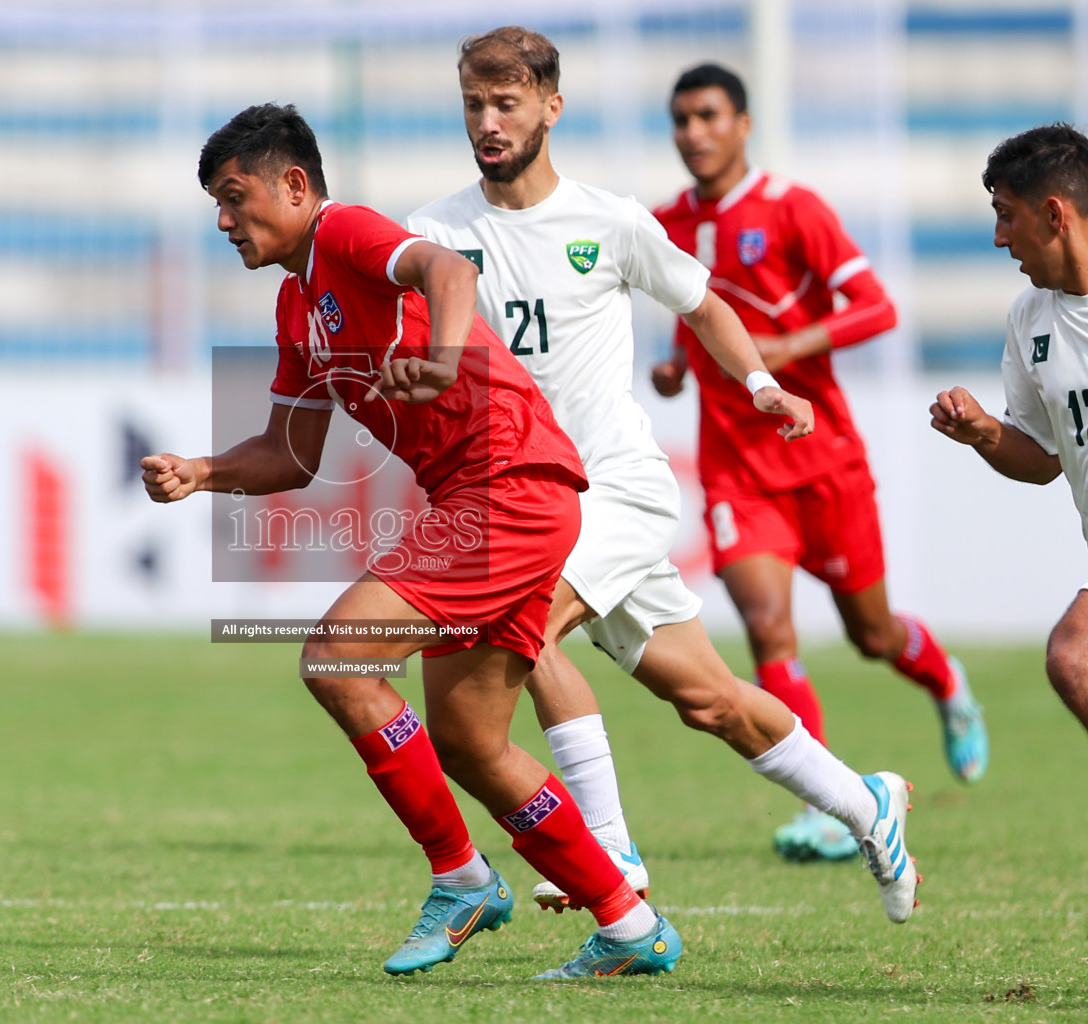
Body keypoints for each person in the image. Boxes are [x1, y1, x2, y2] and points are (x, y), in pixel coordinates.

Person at [143, 102, 681, 980]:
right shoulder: (294, 306)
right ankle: (630, 927)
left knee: (337, 657)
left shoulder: (348, 231)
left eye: (235, 197)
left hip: (507, 483)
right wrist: (202, 471)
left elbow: (448, 272)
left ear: (295, 185)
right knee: (471, 744)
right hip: (487, 497)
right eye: (215, 204)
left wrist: (440, 356)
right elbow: (290, 454)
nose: (223, 221)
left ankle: (462, 879)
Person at [405, 26, 918, 924]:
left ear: (551, 109)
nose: (488, 122)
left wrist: (760, 383)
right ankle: (867, 803)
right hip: (529, 497)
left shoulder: (609, 221)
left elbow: (705, 301)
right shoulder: (436, 231)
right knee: (711, 700)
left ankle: (607, 852)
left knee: (521, 625)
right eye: (473, 105)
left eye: (507, 103)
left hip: (616, 491)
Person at [652, 63, 989, 860]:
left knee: (871, 634)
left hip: (821, 457)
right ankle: (833, 801)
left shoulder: (793, 208)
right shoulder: (666, 222)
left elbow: (878, 304)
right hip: (736, 466)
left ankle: (948, 686)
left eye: (707, 116)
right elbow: (689, 307)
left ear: (742, 124)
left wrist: (786, 347)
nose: (693, 133)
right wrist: (674, 363)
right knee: (769, 627)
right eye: (681, 119)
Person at [932, 124, 1088, 930]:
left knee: (1077, 653)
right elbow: (1042, 458)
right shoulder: (1030, 321)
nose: (998, 236)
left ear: (1054, 213)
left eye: (1006, 216)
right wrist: (981, 433)